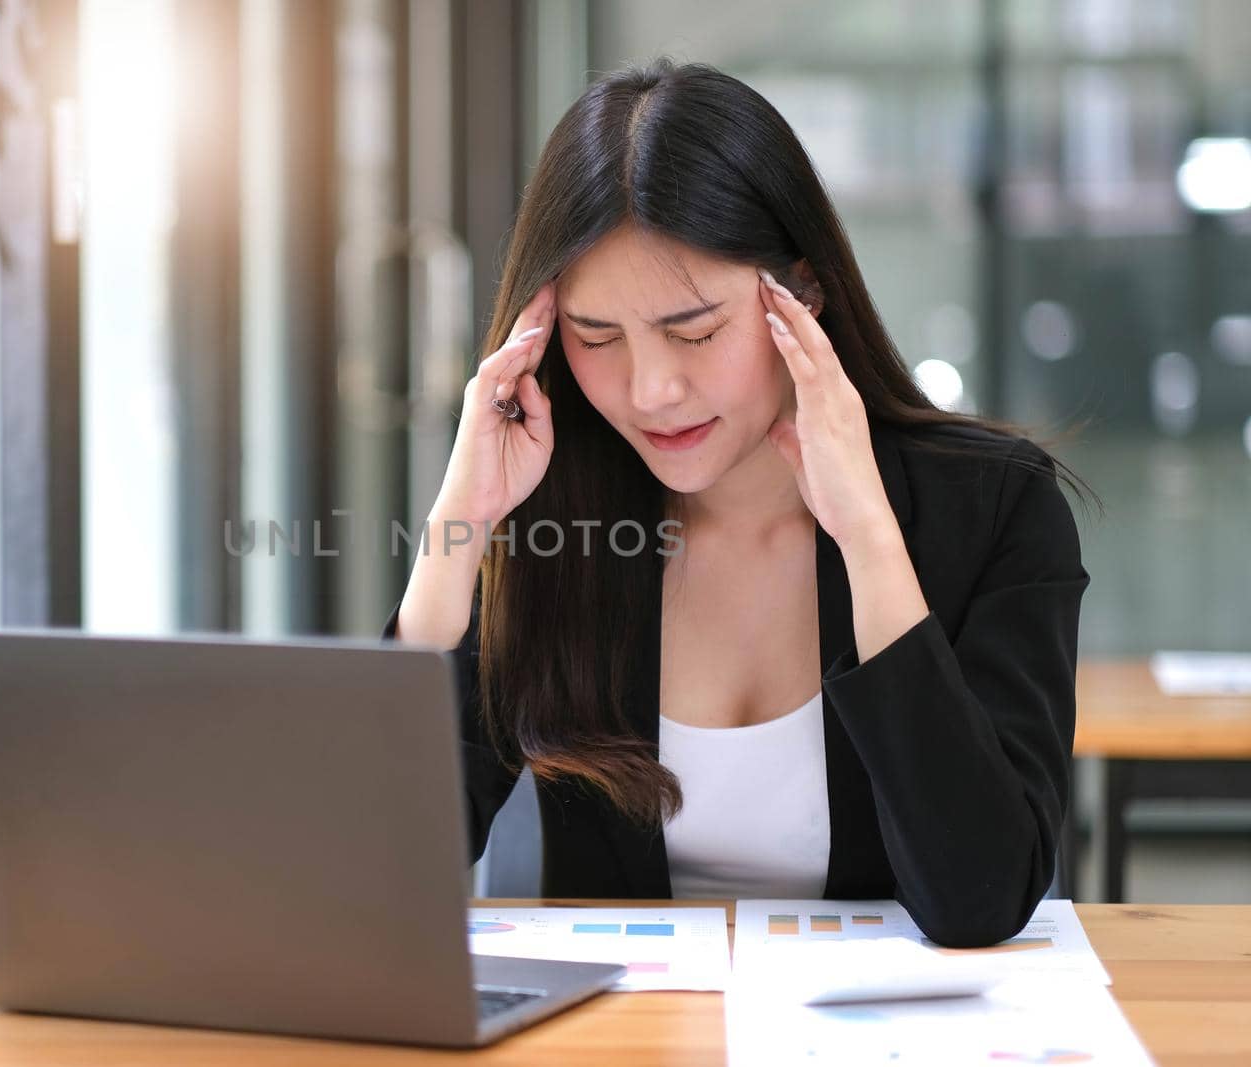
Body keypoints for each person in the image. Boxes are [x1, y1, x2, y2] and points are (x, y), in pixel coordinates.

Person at [381, 58, 1093, 948]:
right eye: (596, 337)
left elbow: (978, 898)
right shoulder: (552, 513)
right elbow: (381, 869)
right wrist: (458, 531)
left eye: (695, 331)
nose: (652, 390)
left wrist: (867, 535)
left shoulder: (995, 509)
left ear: (803, 291)